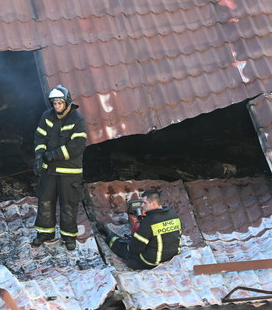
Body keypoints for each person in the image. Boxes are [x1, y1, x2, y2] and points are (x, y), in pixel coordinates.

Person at [31, 85, 88, 251]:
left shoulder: (77, 119)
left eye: (59, 103)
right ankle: (45, 233)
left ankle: (69, 237)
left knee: (69, 205)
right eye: (54, 103)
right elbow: (39, 138)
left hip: (70, 172)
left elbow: (77, 146)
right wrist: (39, 158)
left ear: (67, 102)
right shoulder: (46, 116)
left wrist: (52, 155)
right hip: (49, 171)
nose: (56, 106)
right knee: (45, 202)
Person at [97, 188, 182, 269]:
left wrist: (132, 241)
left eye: (144, 203)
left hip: (150, 261)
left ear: (153, 203)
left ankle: (109, 235)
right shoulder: (174, 215)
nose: (142, 205)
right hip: (172, 255)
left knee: (123, 246)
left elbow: (135, 249)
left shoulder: (149, 222)